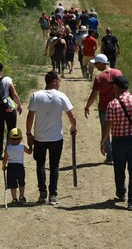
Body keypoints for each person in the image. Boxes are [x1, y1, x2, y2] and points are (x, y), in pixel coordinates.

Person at [26, 71, 77, 205]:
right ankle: (53, 195)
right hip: (55, 138)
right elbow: (72, 116)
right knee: (54, 166)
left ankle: (42, 193)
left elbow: (30, 116)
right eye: (59, 80)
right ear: (54, 81)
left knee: (40, 164)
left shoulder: (36, 96)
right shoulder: (61, 96)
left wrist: (28, 133)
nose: (60, 83)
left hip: (40, 138)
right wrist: (73, 127)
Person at [101, 75, 132, 211]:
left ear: (117, 88)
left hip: (118, 141)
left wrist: (103, 141)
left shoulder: (113, 104)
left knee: (119, 168)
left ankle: (121, 192)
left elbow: (108, 124)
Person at [84, 54, 123, 164]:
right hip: (119, 107)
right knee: (118, 131)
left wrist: (87, 107)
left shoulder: (99, 78)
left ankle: (110, 157)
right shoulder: (118, 73)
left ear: (101, 63)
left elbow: (93, 95)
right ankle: (119, 154)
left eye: (96, 64)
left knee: (105, 131)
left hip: (104, 108)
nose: (95, 66)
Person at [2, 127, 33, 205]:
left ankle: (14, 199)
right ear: (21, 138)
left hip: (11, 168)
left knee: (12, 184)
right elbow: (29, 152)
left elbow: (5, 158)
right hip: (20, 167)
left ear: (10, 138)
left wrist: (4, 166)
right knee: (21, 182)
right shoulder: (22, 147)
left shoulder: (7, 148)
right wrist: (31, 146)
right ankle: (22, 197)